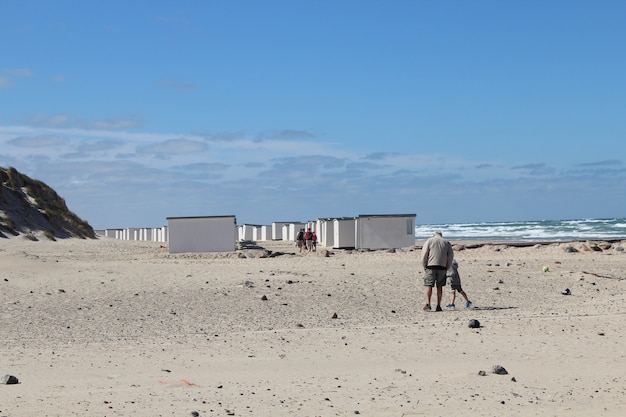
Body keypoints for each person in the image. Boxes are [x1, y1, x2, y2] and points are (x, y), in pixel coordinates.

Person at [421, 231, 454, 312]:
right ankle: (438, 305)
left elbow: (424, 254)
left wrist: (424, 265)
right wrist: (447, 267)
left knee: (429, 285)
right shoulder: (446, 242)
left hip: (431, 265)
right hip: (442, 266)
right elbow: (450, 256)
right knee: (440, 287)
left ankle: (428, 303)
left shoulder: (429, 241)